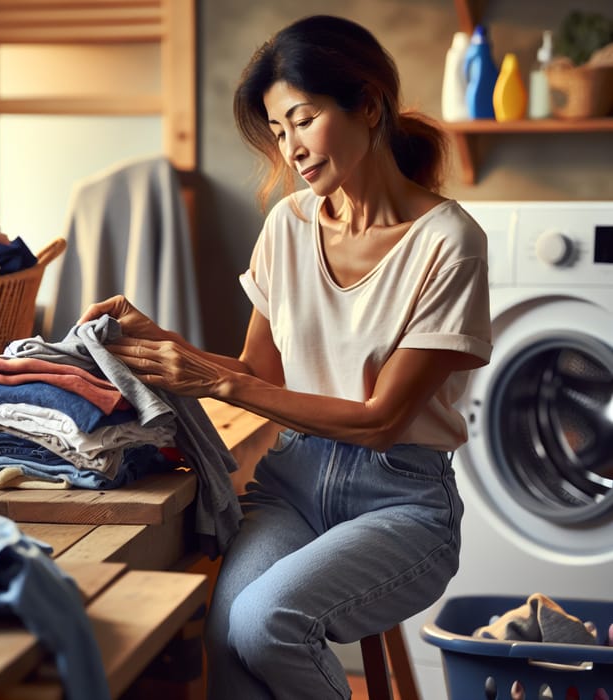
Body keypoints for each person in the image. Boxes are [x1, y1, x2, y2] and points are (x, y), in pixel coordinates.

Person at [78, 14, 492, 700]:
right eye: (277, 132)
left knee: (266, 623)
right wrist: (163, 341)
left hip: (402, 503)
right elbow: (260, 374)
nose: (291, 148)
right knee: (226, 635)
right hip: (292, 484)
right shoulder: (289, 226)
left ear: (367, 103)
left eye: (302, 118)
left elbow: (381, 419)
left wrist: (212, 381)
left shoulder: (448, 242)